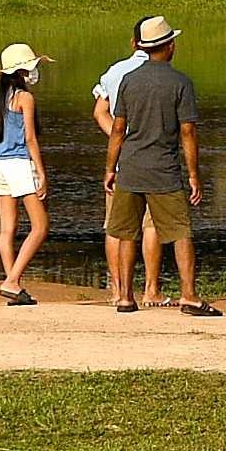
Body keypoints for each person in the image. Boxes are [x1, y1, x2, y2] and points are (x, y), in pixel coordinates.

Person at [102, 14, 212, 316]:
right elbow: (188, 131)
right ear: (170, 45)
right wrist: (193, 174)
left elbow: (118, 128)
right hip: (164, 168)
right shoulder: (180, 83)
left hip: (131, 165)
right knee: (180, 232)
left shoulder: (129, 80)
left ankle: (124, 296)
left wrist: (110, 168)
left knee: (127, 232)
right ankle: (189, 294)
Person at [92, 30, 165, 307]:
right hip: (153, 159)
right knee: (151, 224)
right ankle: (151, 289)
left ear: (134, 42)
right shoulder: (162, 73)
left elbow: (99, 111)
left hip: (121, 161)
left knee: (116, 227)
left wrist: (118, 139)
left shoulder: (115, 71)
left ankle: (118, 289)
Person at [0, 43, 48, 306]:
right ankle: (12, 280)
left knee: (7, 228)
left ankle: (12, 284)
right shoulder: (25, 98)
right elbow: (30, 138)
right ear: (22, 72)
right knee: (40, 226)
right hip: (18, 164)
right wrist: (40, 170)